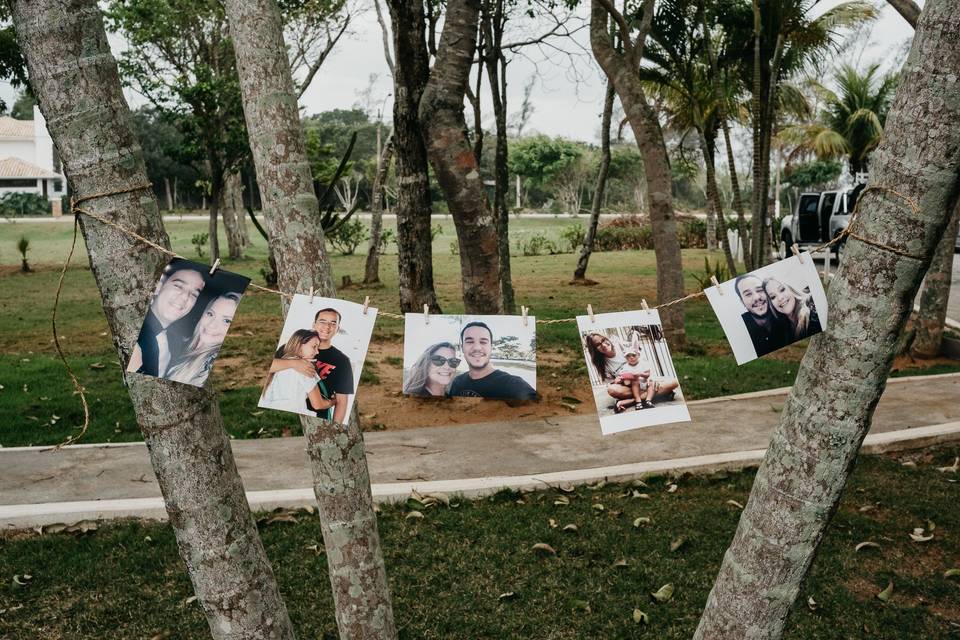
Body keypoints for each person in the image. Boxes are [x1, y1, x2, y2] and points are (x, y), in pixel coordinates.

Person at [269, 307, 353, 422]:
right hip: (284, 411)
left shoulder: (342, 361)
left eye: (333, 323)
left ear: (337, 329)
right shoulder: (289, 348)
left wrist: (335, 427)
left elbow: (342, 402)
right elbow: (269, 368)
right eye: (322, 322)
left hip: (317, 417)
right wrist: (294, 363)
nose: (327, 327)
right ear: (314, 324)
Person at [127, 262, 206, 378]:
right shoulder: (135, 335)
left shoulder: (177, 339)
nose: (185, 297)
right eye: (178, 286)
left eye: (194, 294)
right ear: (158, 287)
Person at [584, 331, 680, 413]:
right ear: (594, 350)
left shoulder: (622, 346)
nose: (603, 345)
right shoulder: (602, 363)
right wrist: (617, 381)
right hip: (629, 387)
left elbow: (644, 364)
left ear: (606, 339)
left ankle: (629, 401)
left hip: (643, 382)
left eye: (603, 340)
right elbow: (610, 383)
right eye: (598, 345)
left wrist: (650, 379)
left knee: (674, 382)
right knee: (612, 390)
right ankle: (654, 395)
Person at [166, 293, 241, 386]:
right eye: (210, 314)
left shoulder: (210, 363)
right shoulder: (175, 342)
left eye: (227, 321)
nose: (211, 325)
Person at [448, 321, 537, 400]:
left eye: (483, 342)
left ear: (491, 347)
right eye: (469, 342)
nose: (477, 348)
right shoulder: (457, 382)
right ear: (462, 348)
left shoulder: (512, 385)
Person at [260, 330, 335, 415]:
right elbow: (318, 404)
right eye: (314, 346)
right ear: (299, 346)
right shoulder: (306, 368)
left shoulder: (282, 361)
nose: (317, 352)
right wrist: (333, 401)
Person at [734, 274, 791, 357]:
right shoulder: (739, 331)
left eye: (760, 290)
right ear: (742, 302)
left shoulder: (785, 315)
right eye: (748, 294)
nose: (757, 297)